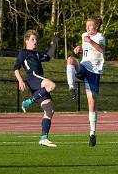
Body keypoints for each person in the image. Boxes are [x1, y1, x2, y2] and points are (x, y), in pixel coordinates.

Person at [14, 30, 59, 147]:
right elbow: (16, 68)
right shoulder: (23, 53)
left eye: (36, 39)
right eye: (33, 39)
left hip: (38, 83)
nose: (35, 41)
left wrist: (54, 43)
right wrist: (20, 80)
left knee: (49, 109)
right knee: (51, 85)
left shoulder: (37, 54)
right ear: (26, 41)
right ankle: (28, 102)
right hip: (33, 78)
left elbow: (49, 57)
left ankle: (44, 138)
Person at [66, 16, 106, 147]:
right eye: (87, 26)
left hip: (93, 72)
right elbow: (87, 50)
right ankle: (71, 87)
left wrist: (90, 41)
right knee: (71, 60)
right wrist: (79, 48)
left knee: (92, 103)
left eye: (90, 26)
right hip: (84, 67)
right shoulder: (84, 35)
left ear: (96, 27)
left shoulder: (100, 37)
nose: (88, 28)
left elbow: (101, 50)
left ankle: (92, 133)